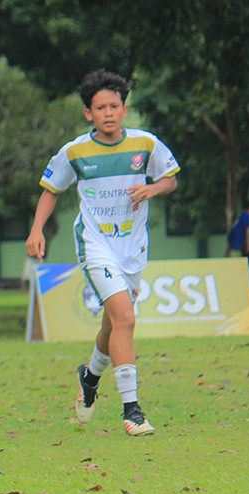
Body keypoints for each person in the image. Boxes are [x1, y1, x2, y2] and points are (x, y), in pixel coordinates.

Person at [25, 69, 179, 436]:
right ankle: (133, 411)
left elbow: (170, 179)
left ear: (125, 110)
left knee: (113, 325)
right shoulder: (75, 152)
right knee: (125, 318)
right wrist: (36, 230)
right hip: (95, 245)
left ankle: (90, 376)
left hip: (133, 249)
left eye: (114, 106)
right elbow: (51, 190)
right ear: (88, 114)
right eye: (100, 107)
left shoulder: (146, 144)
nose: (108, 112)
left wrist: (151, 190)